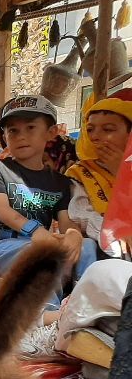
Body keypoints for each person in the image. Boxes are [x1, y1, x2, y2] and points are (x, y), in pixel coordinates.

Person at [0, 95, 95, 302]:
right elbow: (3, 212)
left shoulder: (61, 182)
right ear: (5, 135)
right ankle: (47, 313)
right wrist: (37, 231)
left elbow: (66, 222)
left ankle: (90, 303)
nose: (21, 136)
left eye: (30, 127)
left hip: (36, 243)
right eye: (13, 130)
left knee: (89, 246)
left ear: (51, 132)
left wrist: (73, 235)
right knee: (43, 252)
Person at [67, 89, 132, 259]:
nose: (95, 137)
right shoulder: (80, 173)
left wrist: (121, 172)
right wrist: (115, 234)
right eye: (90, 129)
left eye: (108, 129)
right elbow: (82, 215)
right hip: (107, 253)